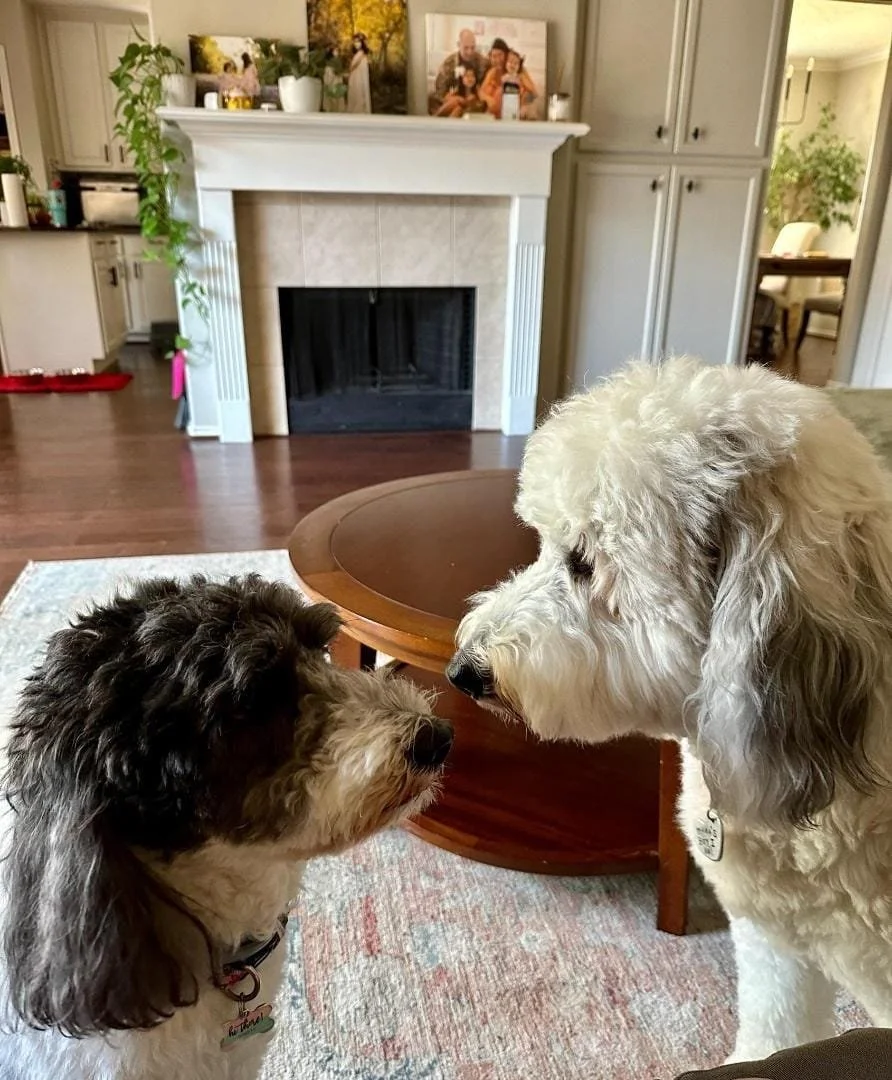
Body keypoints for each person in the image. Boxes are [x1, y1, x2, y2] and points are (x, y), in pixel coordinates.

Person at [432, 29, 490, 111]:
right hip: (453, 102)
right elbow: (440, 91)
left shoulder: (483, 62)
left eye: (473, 47)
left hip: (476, 102)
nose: (470, 52)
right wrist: (450, 98)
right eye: (466, 48)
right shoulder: (449, 64)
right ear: (459, 45)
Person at [503, 49, 538, 119]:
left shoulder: (521, 78)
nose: (512, 65)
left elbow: (534, 93)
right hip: (507, 108)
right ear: (505, 63)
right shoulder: (503, 78)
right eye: (510, 62)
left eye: (516, 63)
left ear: (519, 66)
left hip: (520, 108)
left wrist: (524, 101)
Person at [479, 37, 510, 117]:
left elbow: (532, 91)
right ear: (490, 58)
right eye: (494, 56)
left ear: (506, 55)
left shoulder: (515, 68)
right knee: (490, 90)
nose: (497, 60)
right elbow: (481, 92)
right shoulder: (492, 72)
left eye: (500, 55)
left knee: (499, 92)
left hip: (510, 109)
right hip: (492, 112)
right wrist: (488, 99)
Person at [347, 32, 372, 113]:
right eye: (355, 42)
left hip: (359, 79)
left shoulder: (361, 54)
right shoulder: (359, 54)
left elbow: (352, 67)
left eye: (358, 42)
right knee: (356, 95)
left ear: (362, 43)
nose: (356, 44)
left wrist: (349, 72)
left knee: (359, 96)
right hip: (356, 78)